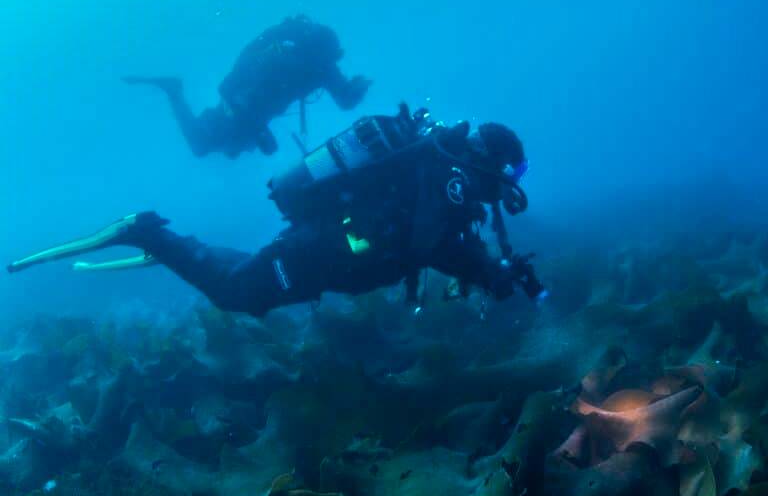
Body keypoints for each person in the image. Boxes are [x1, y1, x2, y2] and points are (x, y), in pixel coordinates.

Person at [7, 104, 546, 314]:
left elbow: (434, 240)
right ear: (492, 161)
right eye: (512, 174)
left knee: (244, 280)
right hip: (324, 251)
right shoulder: (452, 178)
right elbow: (432, 243)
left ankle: (174, 250)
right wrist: (487, 270)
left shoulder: (443, 170)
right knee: (237, 295)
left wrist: (487, 268)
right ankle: (146, 233)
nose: (510, 188)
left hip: (332, 253)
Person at [123, 15, 371, 158]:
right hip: (237, 110)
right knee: (202, 146)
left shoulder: (322, 68)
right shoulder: (281, 59)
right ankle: (173, 91)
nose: (328, 65)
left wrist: (357, 89)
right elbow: (227, 87)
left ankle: (174, 91)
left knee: (218, 148)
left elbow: (345, 100)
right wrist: (253, 126)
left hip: (249, 115)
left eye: (329, 59)